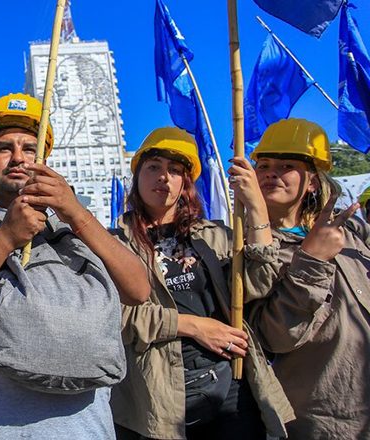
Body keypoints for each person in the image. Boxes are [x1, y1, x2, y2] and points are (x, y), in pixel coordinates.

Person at [0, 93, 150, 439]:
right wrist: (6, 237)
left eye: (29, 148)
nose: (18, 158)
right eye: (3, 148)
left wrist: (75, 212)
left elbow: (138, 289)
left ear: (46, 161)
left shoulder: (78, 223)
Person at [109, 128, 293, 439]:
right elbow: (115, 318)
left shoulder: (216, 235)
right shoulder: (114, 244)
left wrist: (256, 207)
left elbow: (257, 284)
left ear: (186, 184)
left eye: (175, 170)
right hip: (159, 395)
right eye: (153, 167)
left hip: (231, 384)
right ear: (137, 176)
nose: (164, 177)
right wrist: (192, 326)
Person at [245, 118, 369, 439]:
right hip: (326, 418)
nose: (272, 172)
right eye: (264, 165)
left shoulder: (352, 231)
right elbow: (276, 337)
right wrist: (312, 259)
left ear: (312, 182)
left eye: (287, 165)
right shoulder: (249, 251)